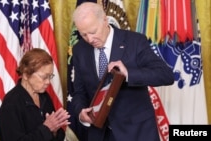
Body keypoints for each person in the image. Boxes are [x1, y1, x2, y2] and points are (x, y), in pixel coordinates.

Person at [71, 2, 174, 141]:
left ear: (105, 20)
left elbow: (166, 75)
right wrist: (80, 112)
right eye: (83, 35)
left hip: (137, 132)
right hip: (100, 134)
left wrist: (128, 74)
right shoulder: (79, 50)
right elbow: (79, 91)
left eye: (93, 32)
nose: (89, 39)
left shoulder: (135, 41)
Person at [0, 48, 70, 141]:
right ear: (26, 75)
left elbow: (58, 136)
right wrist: (47, 129)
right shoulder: (11, 103)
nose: (48, 82)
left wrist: (54, 131)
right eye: (44, 77)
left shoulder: (44, 96)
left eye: (50, 76)